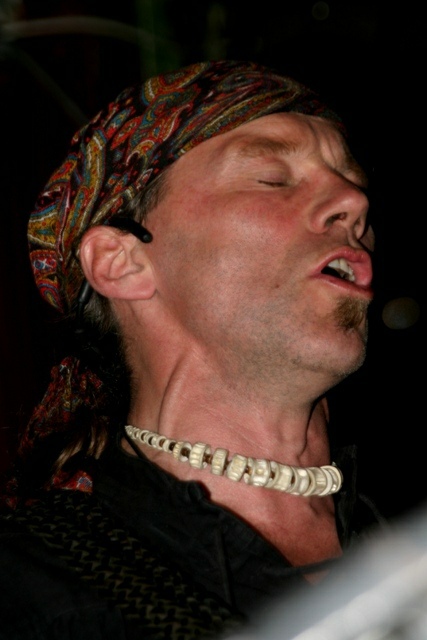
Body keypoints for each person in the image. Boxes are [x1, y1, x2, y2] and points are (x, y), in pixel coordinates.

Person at [0, 59, 384, 639]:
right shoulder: (33, 595)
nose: (353, 201)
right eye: (272, 178)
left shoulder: (401, 539)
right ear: (121, 262)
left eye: (352, 180)